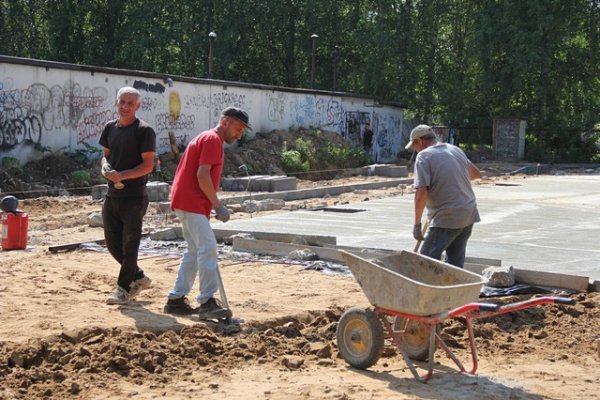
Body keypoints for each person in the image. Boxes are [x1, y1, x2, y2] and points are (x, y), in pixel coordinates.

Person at [164, 107, 250, 319]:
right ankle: (207, 301)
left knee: (194, 250)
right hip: (191, 200)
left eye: (242, 130)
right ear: (225, 122)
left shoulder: (207, 138)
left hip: (186, 200)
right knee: (208, 247)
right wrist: (218, 205)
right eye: (237, 128)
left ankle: (176, 299)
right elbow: (203, 176)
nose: (239, 134)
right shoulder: (212, 140)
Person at [100, 86, 156, 304]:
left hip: (134, 196)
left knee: (130, 244)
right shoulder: (109, 128)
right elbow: (105, 156)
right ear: (116, 102)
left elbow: (148, 165)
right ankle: (138, 276)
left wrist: (122, 175)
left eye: (130, 103)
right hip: (112, 194)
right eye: (122, 102)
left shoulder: (144, 130)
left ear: (137, 106)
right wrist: (106, 168)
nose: (125, 107)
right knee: (113, 243)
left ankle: (124, 288)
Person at [405, 124, 480, 268]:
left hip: (447, 216)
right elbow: (476, 174)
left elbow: (421, 193)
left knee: (425, 263)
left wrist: (417, 225)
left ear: (420, 141)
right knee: (454, 266)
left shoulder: (424, 156)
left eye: (414, 146)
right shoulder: (454, 149)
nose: (415, 150)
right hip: (468, 213)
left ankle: (425, 290)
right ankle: (453, 289)